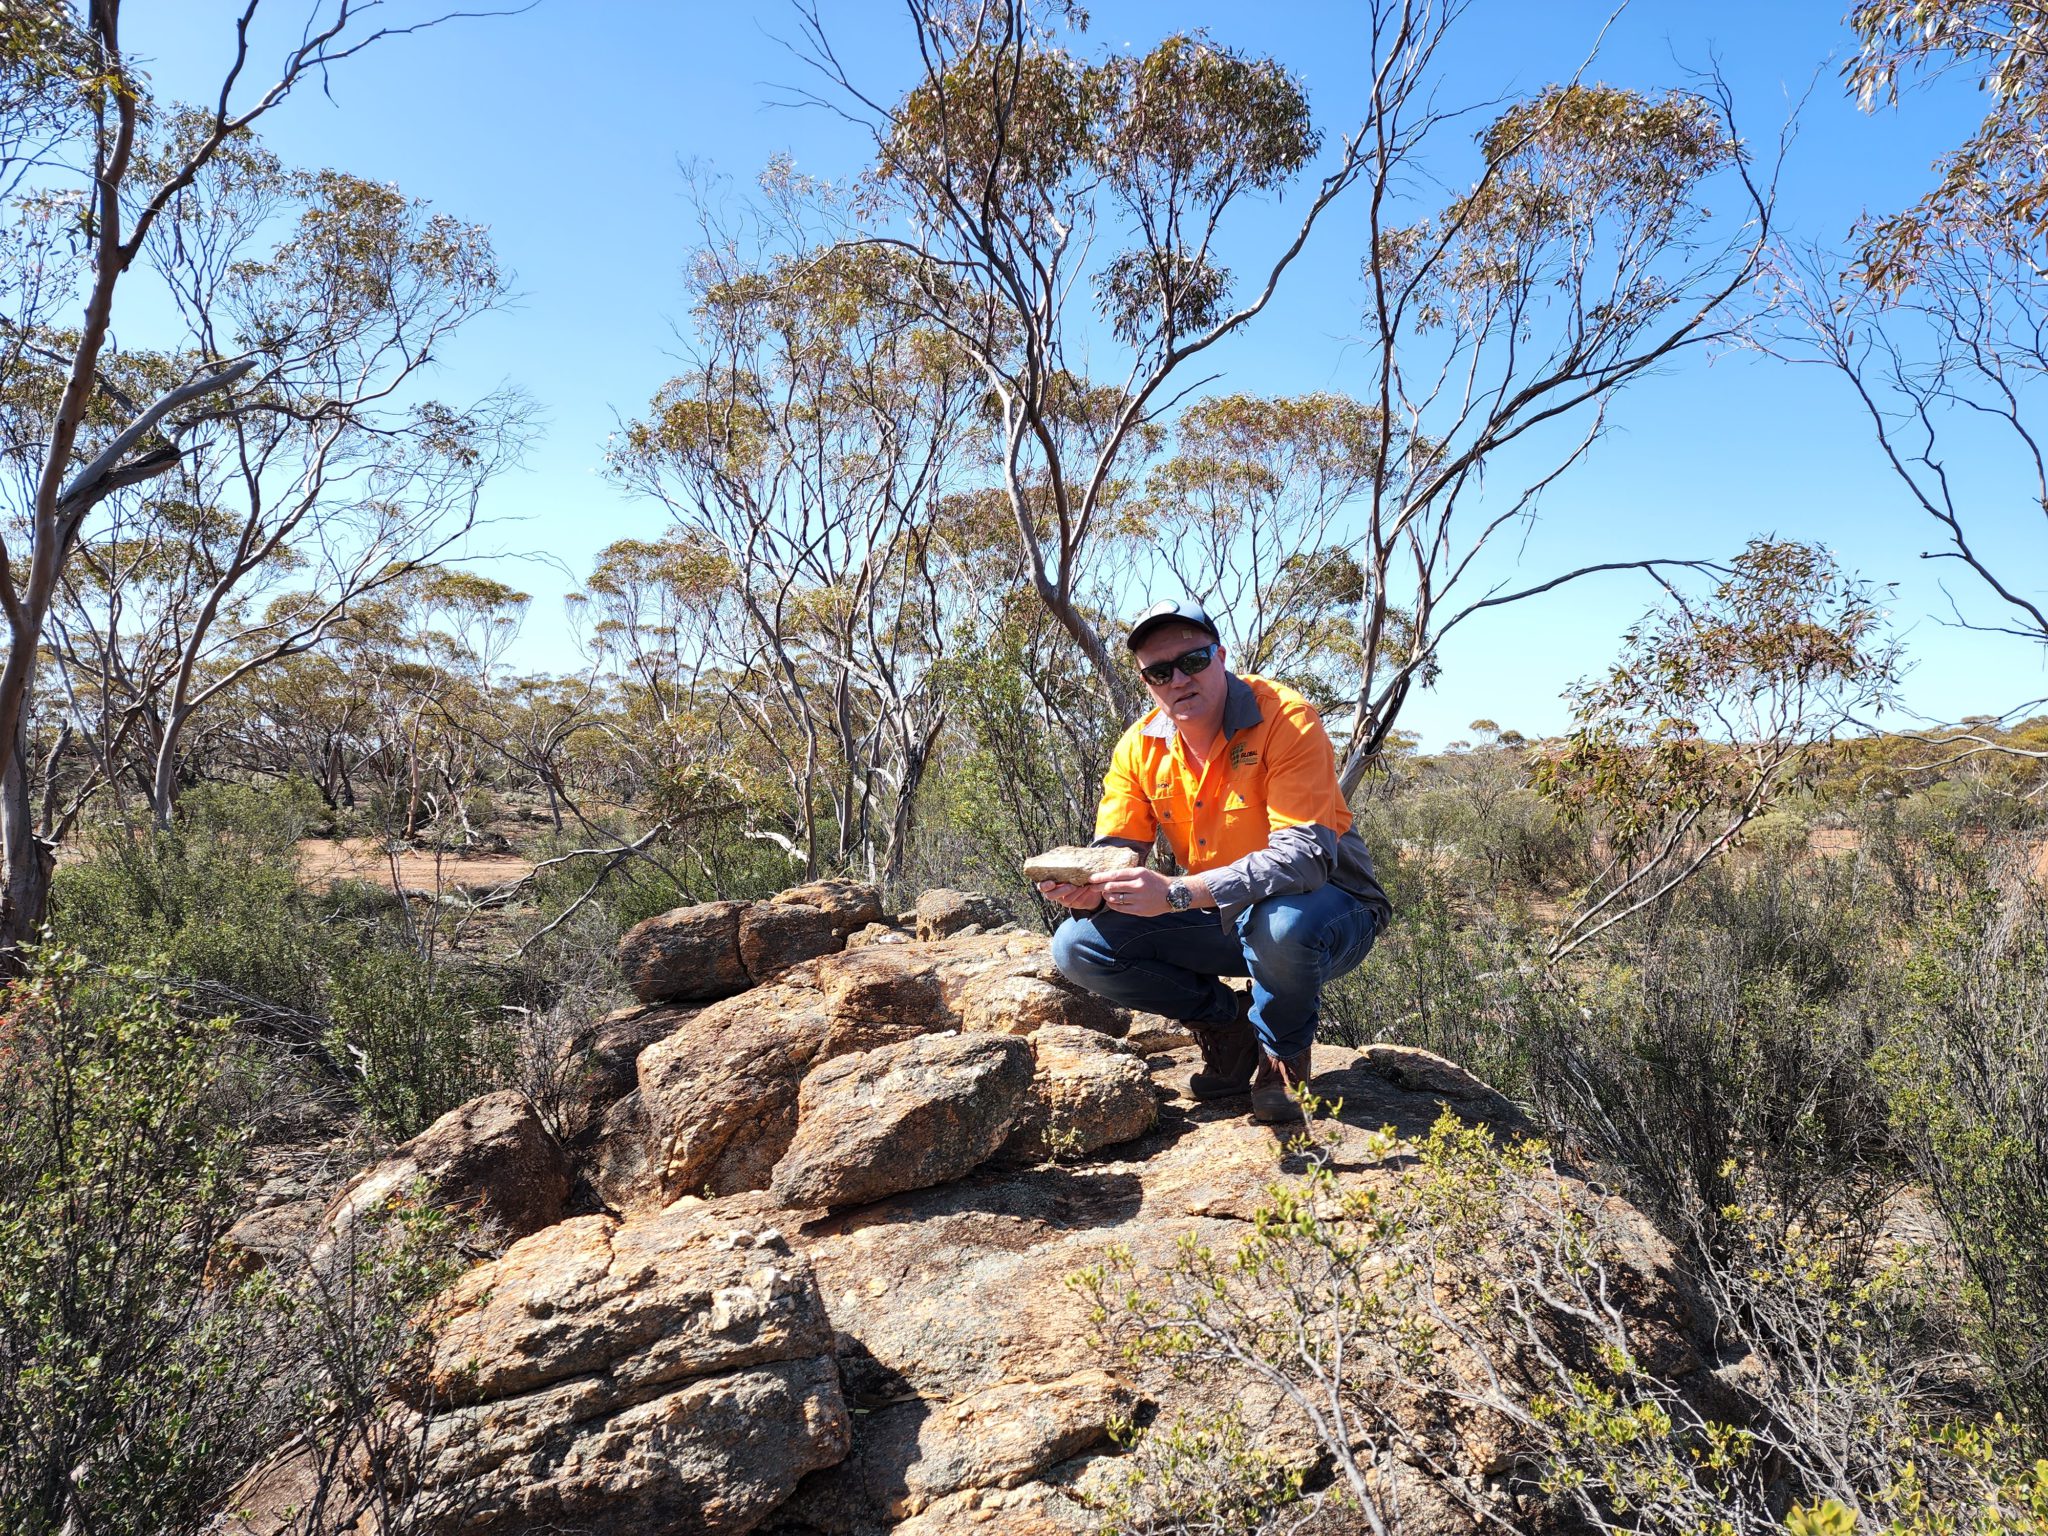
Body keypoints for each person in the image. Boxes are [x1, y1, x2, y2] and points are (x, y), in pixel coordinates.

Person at [1040, 599, 1392, 1124]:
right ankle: (1230, 1026)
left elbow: (1304, 858)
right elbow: (1118, 845)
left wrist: (1177, 894)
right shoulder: (1139, 747)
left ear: (1221, 656)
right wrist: (1092, 885)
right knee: (1078, 946)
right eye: (1160, 672)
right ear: (1148, 683)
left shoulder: (1284, 717)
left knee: (1278, 924)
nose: (1179, 679)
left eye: (1194, 661)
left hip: (1327, 910)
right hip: (1225, 913)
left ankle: (1282, 1056)